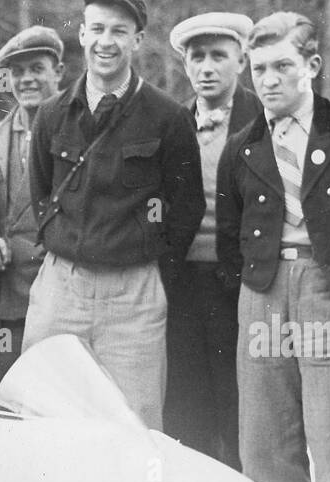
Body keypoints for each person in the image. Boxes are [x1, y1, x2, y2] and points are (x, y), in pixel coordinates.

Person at [216, 12, 330, 482]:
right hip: (263, 290)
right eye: (259, 69)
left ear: (313, 65)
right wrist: (257, 289)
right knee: (265, 439)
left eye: (283, 65)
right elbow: (228, 243)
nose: (269, 79)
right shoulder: (241, 147)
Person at [25, 0, 204, 431]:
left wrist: (147, 254)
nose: (107, 42)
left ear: (138, 40)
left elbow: (185, 206)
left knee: (135, 425)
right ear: (82, 35)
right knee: (42, 415)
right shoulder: (52, 115)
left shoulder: (168, 118)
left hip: (133, 295)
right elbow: (42, 194)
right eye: (98, 29)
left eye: (119, 32)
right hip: (62, 286)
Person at [162, 12, 258, 468]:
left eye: (219, 56)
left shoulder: (262, 118)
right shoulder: (172, 122)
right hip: (182, 284)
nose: (207, 67)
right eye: (197, 57)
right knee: (186, 403)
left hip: (241, 285)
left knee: (240, 402)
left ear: (241, 60)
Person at [0, 27, 65, 421]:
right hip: (11, 294)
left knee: (61, 397)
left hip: (67, 292)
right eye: (17, 72)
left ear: (59, 72)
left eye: (37, 68)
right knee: (2, 398)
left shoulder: (82, 134)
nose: (27, 79)